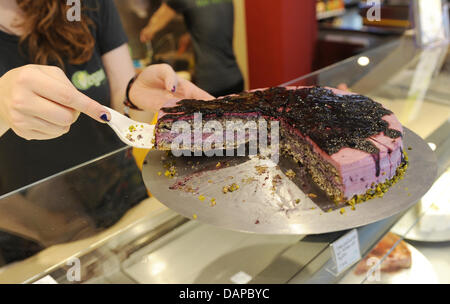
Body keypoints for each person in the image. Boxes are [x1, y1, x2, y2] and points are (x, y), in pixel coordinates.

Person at [0, 0, 213, 195]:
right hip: (36, 217)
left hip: (120, 191)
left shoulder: (87, 5)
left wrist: (134, 98)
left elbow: (123, 106)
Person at [140, 0, 244, 97]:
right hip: (235, 81)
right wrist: (189, 36)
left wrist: (147, 31)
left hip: (208, 88)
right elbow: (212, 25)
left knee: (197, 117)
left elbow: (160, 18)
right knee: (235, 117)